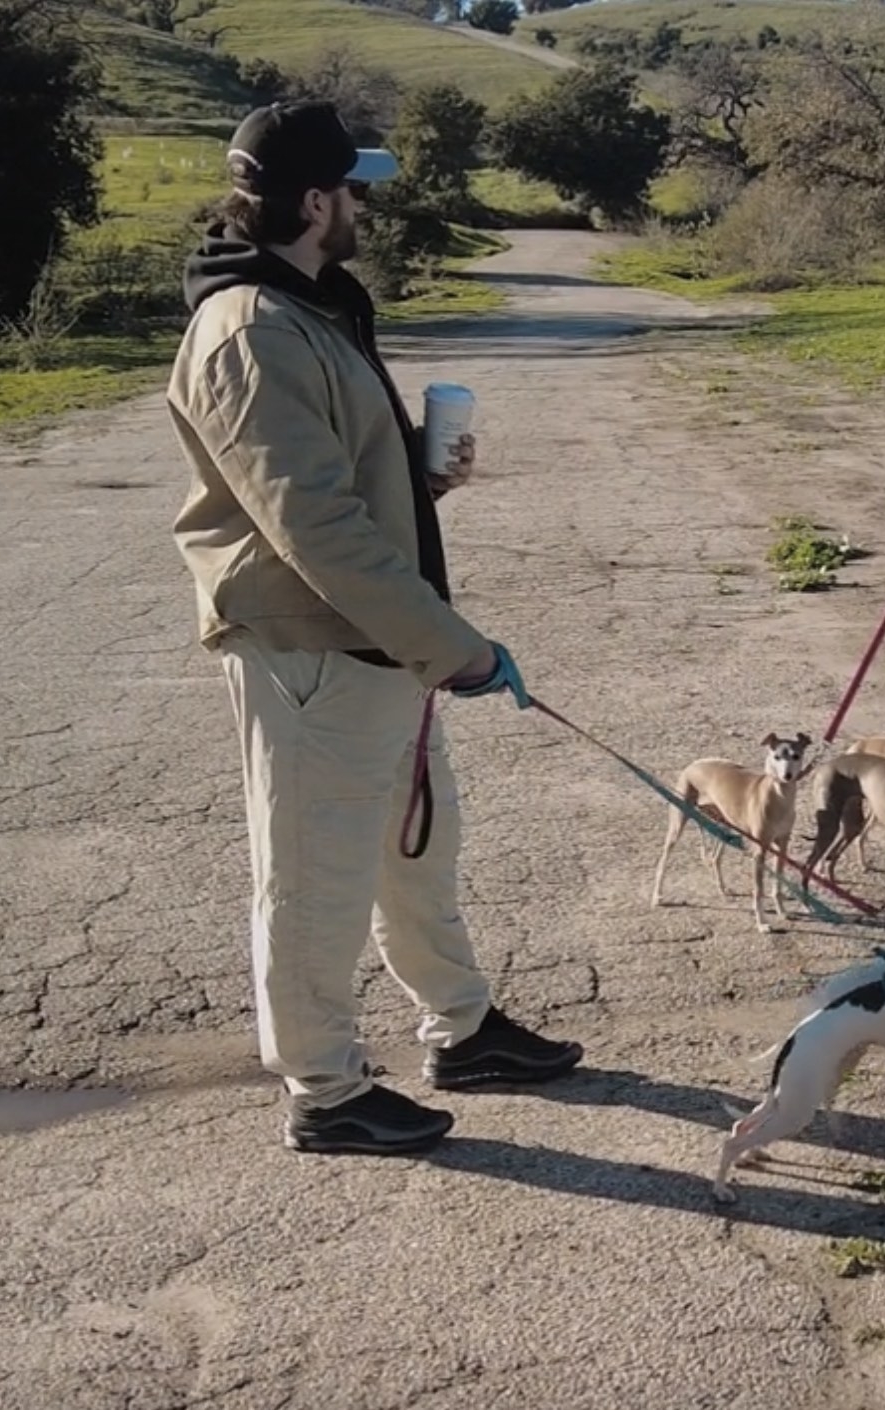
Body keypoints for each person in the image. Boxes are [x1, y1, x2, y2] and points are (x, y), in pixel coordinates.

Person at [166, 100, 582, 1158]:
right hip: (315, 652)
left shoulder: (308, 306)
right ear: (313, 201)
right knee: (315, 876)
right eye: (352, 189)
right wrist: (459, 646)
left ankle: (462, 1029)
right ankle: (326, 1089)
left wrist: (418, 481)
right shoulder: (252, 330)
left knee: (416, 854)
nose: (363, 207)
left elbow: (340, 492)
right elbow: (316, 533)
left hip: (375, 647)